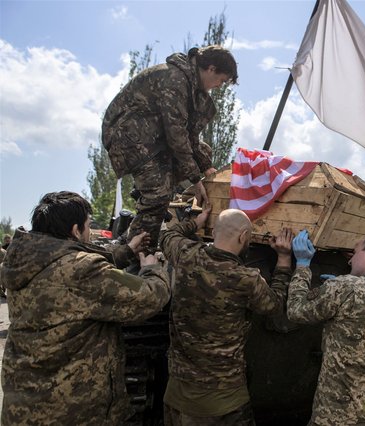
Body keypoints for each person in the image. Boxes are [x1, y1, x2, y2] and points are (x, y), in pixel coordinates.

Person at [0, 191, 171, 424]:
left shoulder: (24, 260)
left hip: (24, 403)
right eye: (88, 226)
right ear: (75, 230)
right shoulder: (81, 269)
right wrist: (153, 269)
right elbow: (149, 298)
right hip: (70, 410)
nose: (90, 232)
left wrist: (126, 250)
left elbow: (74, 265)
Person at [159, 207, 292, 425]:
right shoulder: (246, 279)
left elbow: (166, 235)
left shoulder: (185, 253)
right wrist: (284, 261)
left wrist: (195, 222)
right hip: (224, 403)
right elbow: (275, 305)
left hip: (177, 397)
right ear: (244, 236)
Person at [102, 45, 238, 250]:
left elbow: (190, 135)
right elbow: (176, 133)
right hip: (128, 138)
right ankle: (138, 251)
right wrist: (194, 178)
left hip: (151, 138)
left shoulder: (190, 85)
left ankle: (142, 221)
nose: (220, 85)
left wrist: (206, 167)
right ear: (211, 68)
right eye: (222, 80)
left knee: (204, 151)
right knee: (159, 193)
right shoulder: (175, 79)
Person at [287, 231, 365, 425]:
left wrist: (303, 265)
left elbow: (296, 311)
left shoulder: (345, 287)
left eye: (355, 253)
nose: (350, 261)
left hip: (337, 415)